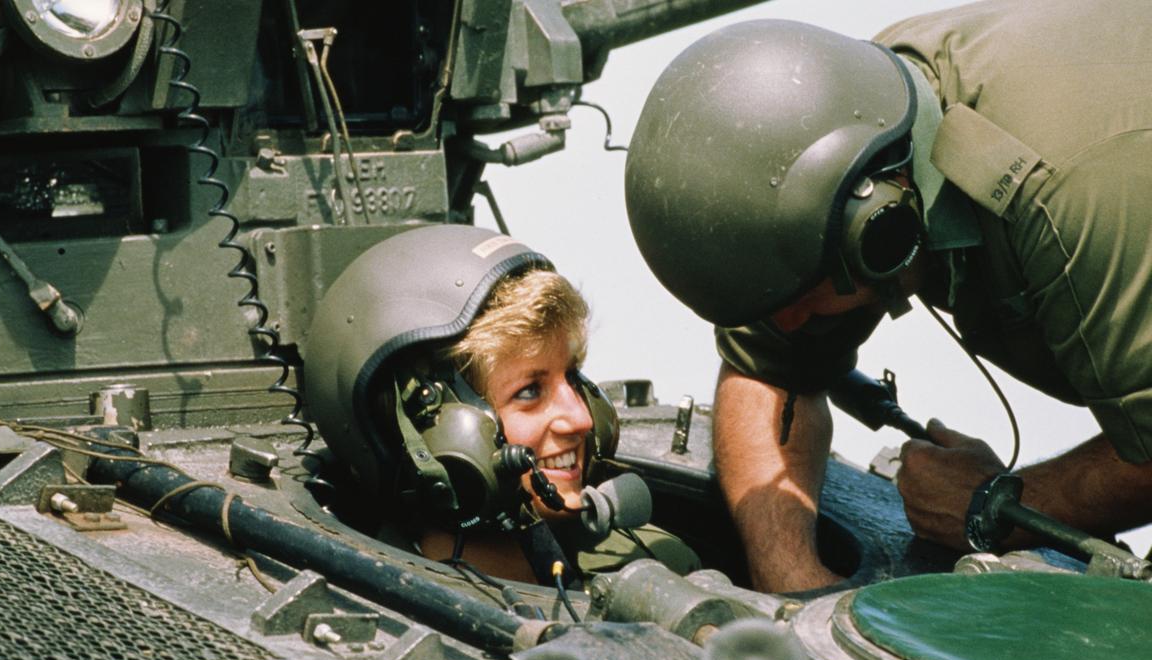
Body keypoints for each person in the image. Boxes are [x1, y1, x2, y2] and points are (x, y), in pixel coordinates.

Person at [624, 0, 1152, 592]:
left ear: (882, 226)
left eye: (800, 295)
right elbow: (767, 376)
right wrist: (793, 585)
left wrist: (997, 505)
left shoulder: (1073, 194)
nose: (790, 324)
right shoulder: (849, 125)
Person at [305, 224, 699, 585]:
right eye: (529, 392)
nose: (580, 418)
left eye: (573, 377)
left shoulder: (651, 569)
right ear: (427, 429)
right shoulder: (371, 615)